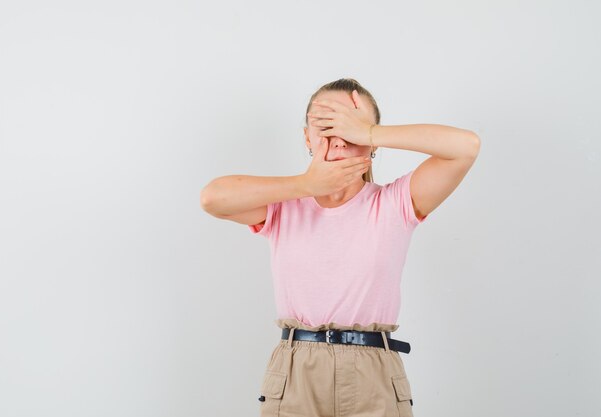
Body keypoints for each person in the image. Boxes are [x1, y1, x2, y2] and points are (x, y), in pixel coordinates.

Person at [200, 78, 480, 417]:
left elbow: (465, 146)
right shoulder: (284, 206)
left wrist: (370, 132)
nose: (339, 139)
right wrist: (307, 184)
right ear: (307, 137)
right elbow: (213, 198)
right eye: (326, 127)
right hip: (296, 368)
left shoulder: (393, 204)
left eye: (351, 128)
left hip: (374, 369)